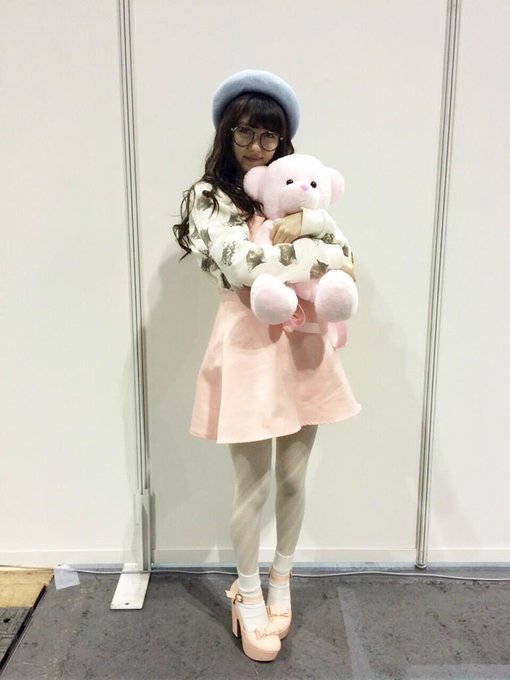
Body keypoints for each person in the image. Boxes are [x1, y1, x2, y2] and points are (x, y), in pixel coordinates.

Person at [173, 69, 360, 662]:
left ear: (283, 140)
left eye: (269, 135)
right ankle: (247, 592)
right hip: (249, 344)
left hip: (302, 341)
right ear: (226, 133)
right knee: (252, 484)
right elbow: (242, 263)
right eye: (246, 132)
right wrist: (309, 252)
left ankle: (282, 578)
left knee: (293, 478)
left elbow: (345, 257)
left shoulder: (295, 191)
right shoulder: (208, 197)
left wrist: (319, 248)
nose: (257, 145)